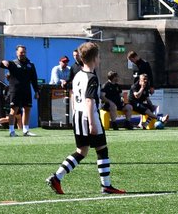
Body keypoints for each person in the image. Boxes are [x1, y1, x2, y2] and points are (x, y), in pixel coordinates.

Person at [47, 42, 124, 195]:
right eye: (99, 56)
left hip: (78, 116)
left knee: (81, 151)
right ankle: (106, 186)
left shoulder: (77, 76)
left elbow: (74, 98)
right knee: (102, 149)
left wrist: (76, 115)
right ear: (95, 58)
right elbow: (90, 100)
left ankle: (57, 177)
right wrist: (92, 123)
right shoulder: (92, 78)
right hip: (89, 116)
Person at [0, 44, 39, 137]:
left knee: (27, 109)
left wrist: (37, 91)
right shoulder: (12, 64)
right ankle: (11, 131)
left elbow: (34, 79)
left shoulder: (30, 65)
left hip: (26, 90)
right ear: (17, 52)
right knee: (13, 111)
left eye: (24, 52)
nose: (23, 54)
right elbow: (0, 64)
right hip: (15, 91)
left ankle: (26, 130)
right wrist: (3, 61)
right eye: (21, 52)